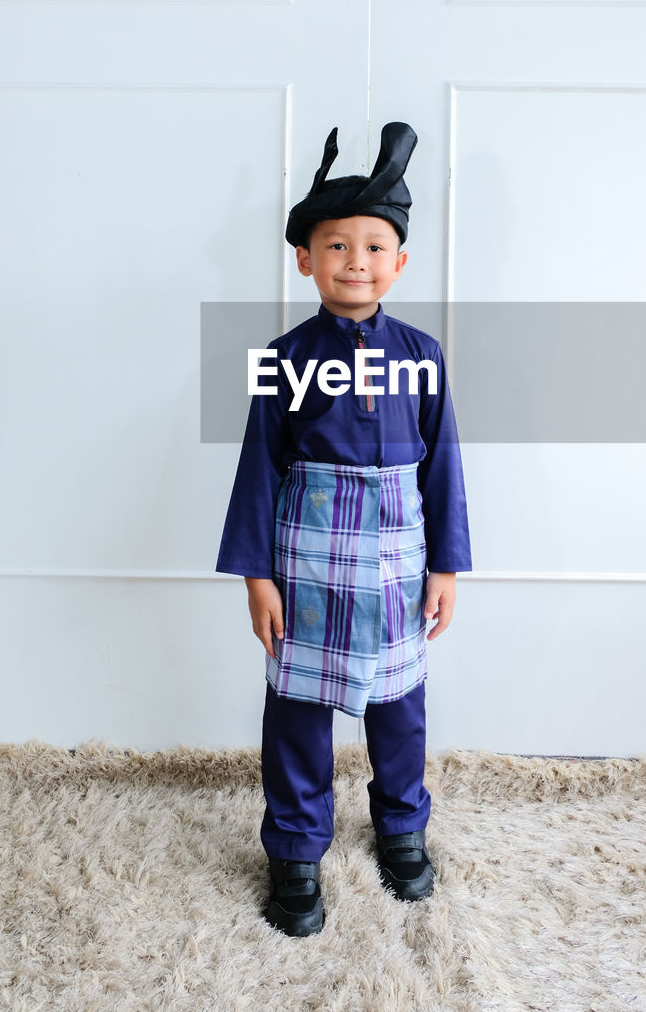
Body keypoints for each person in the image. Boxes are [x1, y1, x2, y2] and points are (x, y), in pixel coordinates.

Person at [216, 121, 472, 937]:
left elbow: (443, 468)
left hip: (398, 556)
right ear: (304, 260)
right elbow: (258, 465)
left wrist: (446, 566)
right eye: (334, 245)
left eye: (372, 245)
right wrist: (258, 574)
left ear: (398, 262)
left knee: (399, 704)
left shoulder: (423, 356)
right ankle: (294, 846)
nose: (353, 260)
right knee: (296, 706)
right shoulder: (283, 357)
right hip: (307, 555)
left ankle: (401, 826)